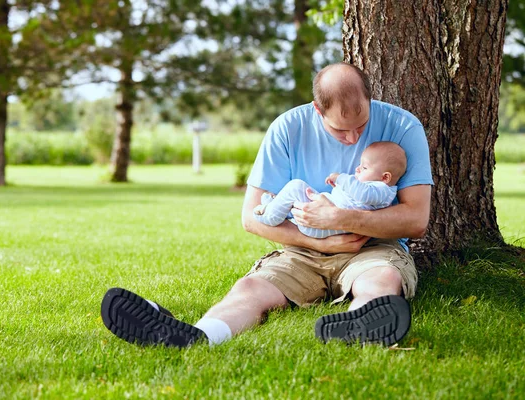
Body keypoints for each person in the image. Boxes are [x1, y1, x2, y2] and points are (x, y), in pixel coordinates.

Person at [101, 62, 433, 348]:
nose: (352, 138)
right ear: (318, 110)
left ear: (370, 99)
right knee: (250, 289)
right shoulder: (288, 128)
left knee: (381, 281)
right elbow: (251, 217)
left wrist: (340, 217)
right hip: (303, 249)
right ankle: (199, 334)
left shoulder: (403, 127)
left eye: (360, 125)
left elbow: (416, 218)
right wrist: (317, 240)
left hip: (373, 248)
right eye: (339, 129)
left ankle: (358, 328)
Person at [253, 141, 407, 239]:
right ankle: (276, 206)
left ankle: (270, 217)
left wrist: (341, 178)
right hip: (323, 220)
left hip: (324, 226)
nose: (357, 169)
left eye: (364, 167)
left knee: (296, 186)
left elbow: (363, 193)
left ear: (385, 177)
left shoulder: (382, 190)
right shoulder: (377, 190)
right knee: (298, 195)